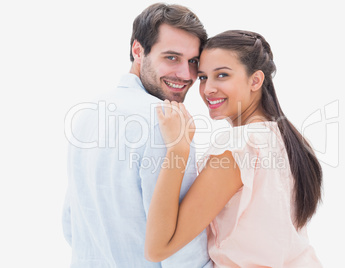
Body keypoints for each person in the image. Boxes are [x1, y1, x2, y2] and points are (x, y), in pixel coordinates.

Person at [145, 30, 323, 267]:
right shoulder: (288, 138)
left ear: (256, 80)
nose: (208, 89)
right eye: (203, 77)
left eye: (222, 75)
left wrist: (178, 149)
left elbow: (158, 248)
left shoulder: (238, 148)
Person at [62, 3, 212, 267]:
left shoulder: (89, 113)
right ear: (138, 50)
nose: (186, 74)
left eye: (193, 61)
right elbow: (183, 253)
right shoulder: (166, 125)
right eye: (172, 57)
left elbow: (71, 225)